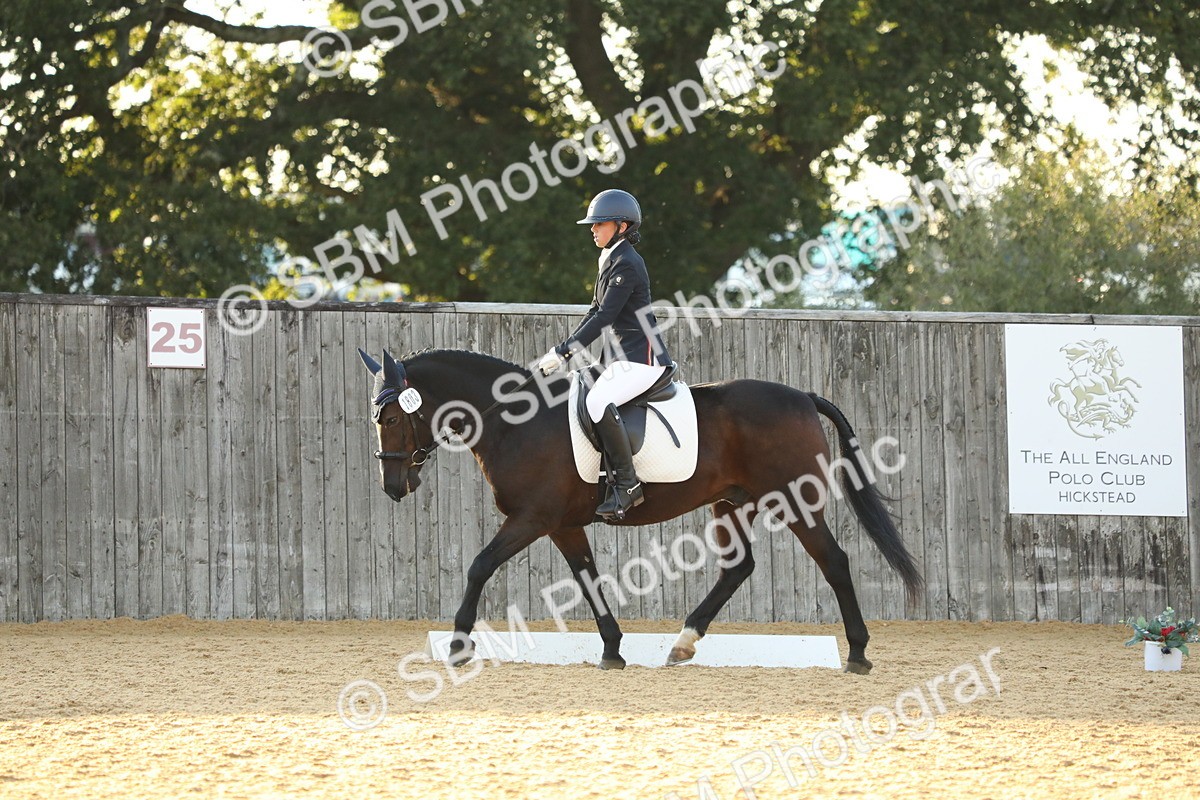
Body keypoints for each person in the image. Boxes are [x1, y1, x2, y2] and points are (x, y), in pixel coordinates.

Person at [538, 189, 673, 520]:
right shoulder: (612, 257)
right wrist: (561, 351)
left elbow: (605, 318)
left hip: (643, 359)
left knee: (597, 402)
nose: (593, 229)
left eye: (600, 224)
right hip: (620, 356)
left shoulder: (627, 262)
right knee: (579, 390)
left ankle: (628, 486)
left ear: (622, 226)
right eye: (593, 224)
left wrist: (566, 352)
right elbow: (595, 309)